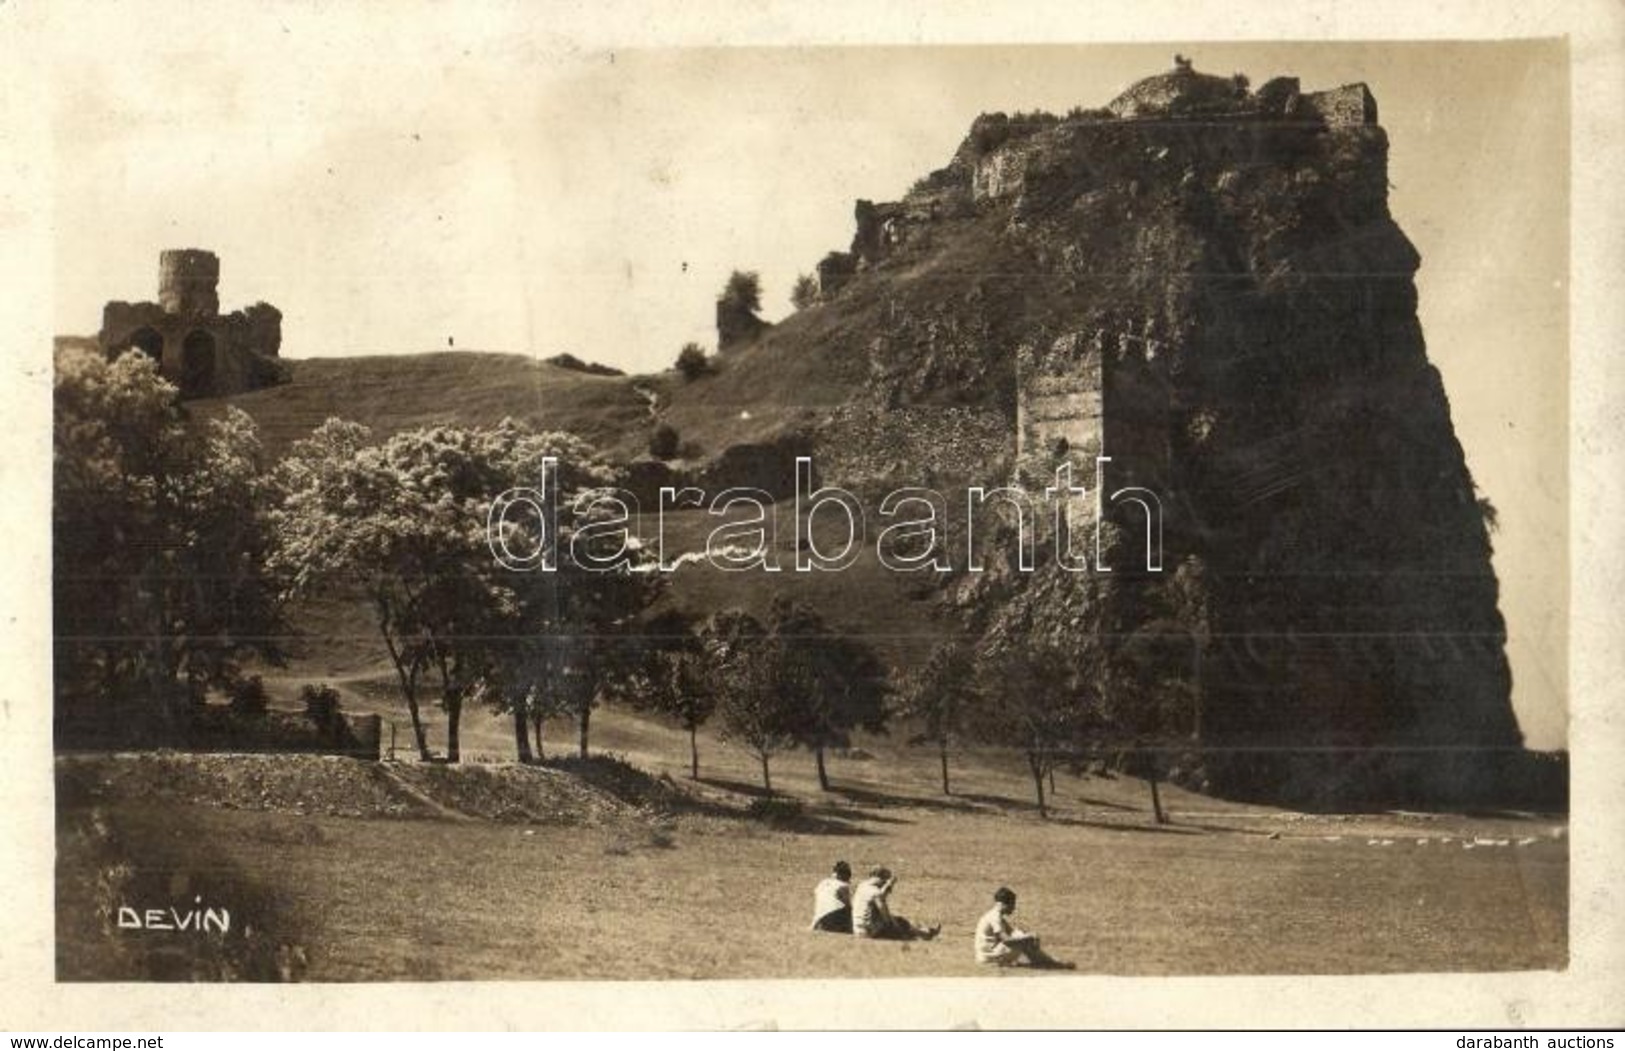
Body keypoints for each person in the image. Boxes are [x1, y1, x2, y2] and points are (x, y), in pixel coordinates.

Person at [974, 887, 1074, 968]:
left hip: (986, 955)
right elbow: (1006, 940)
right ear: (1003, 904)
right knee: (1024, 941)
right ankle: (1052, 963)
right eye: (1012, 904)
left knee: (1022, 937)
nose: (1013, 908)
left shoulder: (995, 915)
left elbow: (1012, 932)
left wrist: (1027, 936)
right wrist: (1028, 937)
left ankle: (1049, 962)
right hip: (989, 958)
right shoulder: (995, 917)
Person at [851, 866, 939, 941]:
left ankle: (926, 932)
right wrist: (897, 926)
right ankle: (925, 933)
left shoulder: (861, 886)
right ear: (882, 880)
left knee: (900, 922)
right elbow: (886, 918)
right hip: (869, 932)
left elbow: (878, 896)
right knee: (902, 924)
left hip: (857, 929)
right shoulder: (876, 893)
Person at [810, 861, 853, 933]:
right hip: (834, 919)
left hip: (821, 922)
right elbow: (848, 906)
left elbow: (819, 905)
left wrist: (813, 925)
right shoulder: (843, 885)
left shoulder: (822, 883)